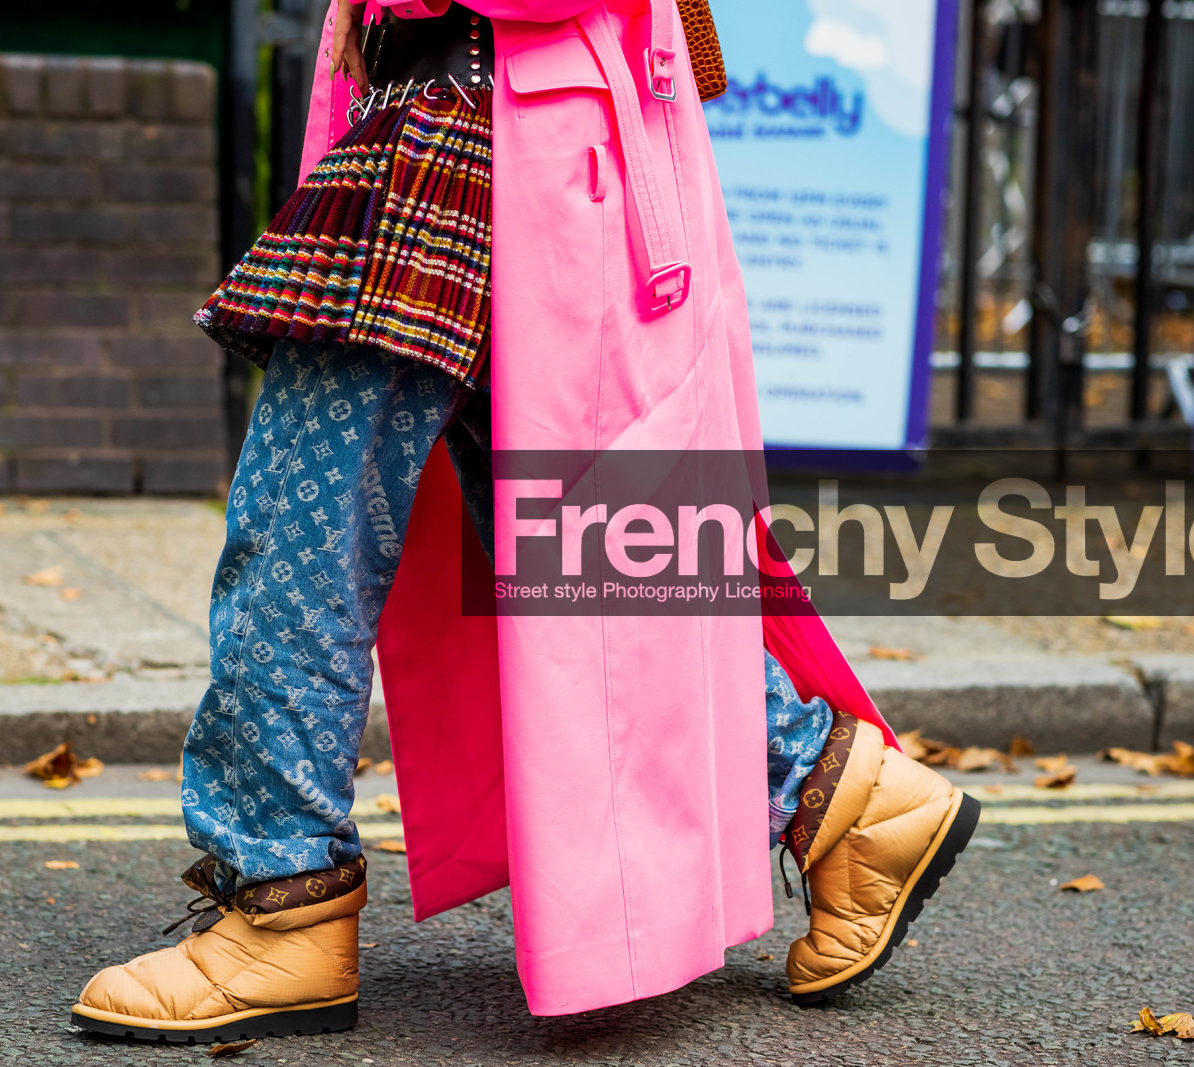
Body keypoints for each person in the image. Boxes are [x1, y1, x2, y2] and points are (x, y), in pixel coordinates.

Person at [68, 0, 977, 1041]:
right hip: (476, 118)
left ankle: (282, 901)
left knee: (305, 519)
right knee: (572, 545)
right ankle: (844, 802)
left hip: (495, 120)